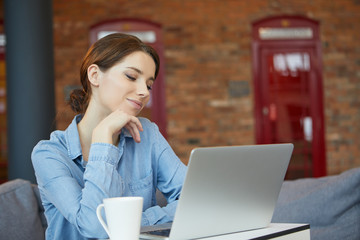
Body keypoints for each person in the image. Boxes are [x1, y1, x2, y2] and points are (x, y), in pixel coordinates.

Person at [32, 33, 187, 240]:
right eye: (131, 76)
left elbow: (193, 200)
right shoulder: (49, 154)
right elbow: (95, 228)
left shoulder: (147, 133)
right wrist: (103, 139)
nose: (144, 92)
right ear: (95, 75)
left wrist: (132, 223)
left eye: (149, 84)